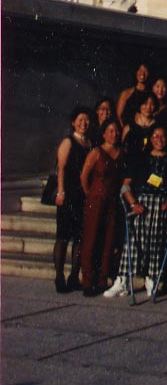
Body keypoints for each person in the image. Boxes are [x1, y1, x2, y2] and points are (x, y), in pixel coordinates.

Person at [111, 124, 167, 298]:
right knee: (132, 242)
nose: (158, 140)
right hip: (142, 204)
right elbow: (125, 186)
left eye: (162, 136)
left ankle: (151, 278)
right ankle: (123, 280)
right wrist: (133, 204)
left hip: (160, 205)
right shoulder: (141, 158)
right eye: (155, 136)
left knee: (155, 243)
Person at [79, 117, 123, 296]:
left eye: (116, 131)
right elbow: (84, 176)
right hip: (96, 200)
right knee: (91, 239)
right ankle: (88, 281)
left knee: (108, 240)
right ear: (104, 133)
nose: (114, 134)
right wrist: (90, 193)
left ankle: (102, 279)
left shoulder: (121, 152)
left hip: (112, 201)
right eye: (110, 131)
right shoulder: (96, 152)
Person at [53, 106, 92, 293]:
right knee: (63, 237)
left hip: (83, 195)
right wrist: (60, 192)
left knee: (79, 238)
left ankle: (74, 276)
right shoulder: (68, 142)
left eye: (86, 120)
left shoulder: (89, 143)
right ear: (73, 122)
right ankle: (59, 275)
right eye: (80, 120)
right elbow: (61, 168)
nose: (83, 123)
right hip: (68, 194)